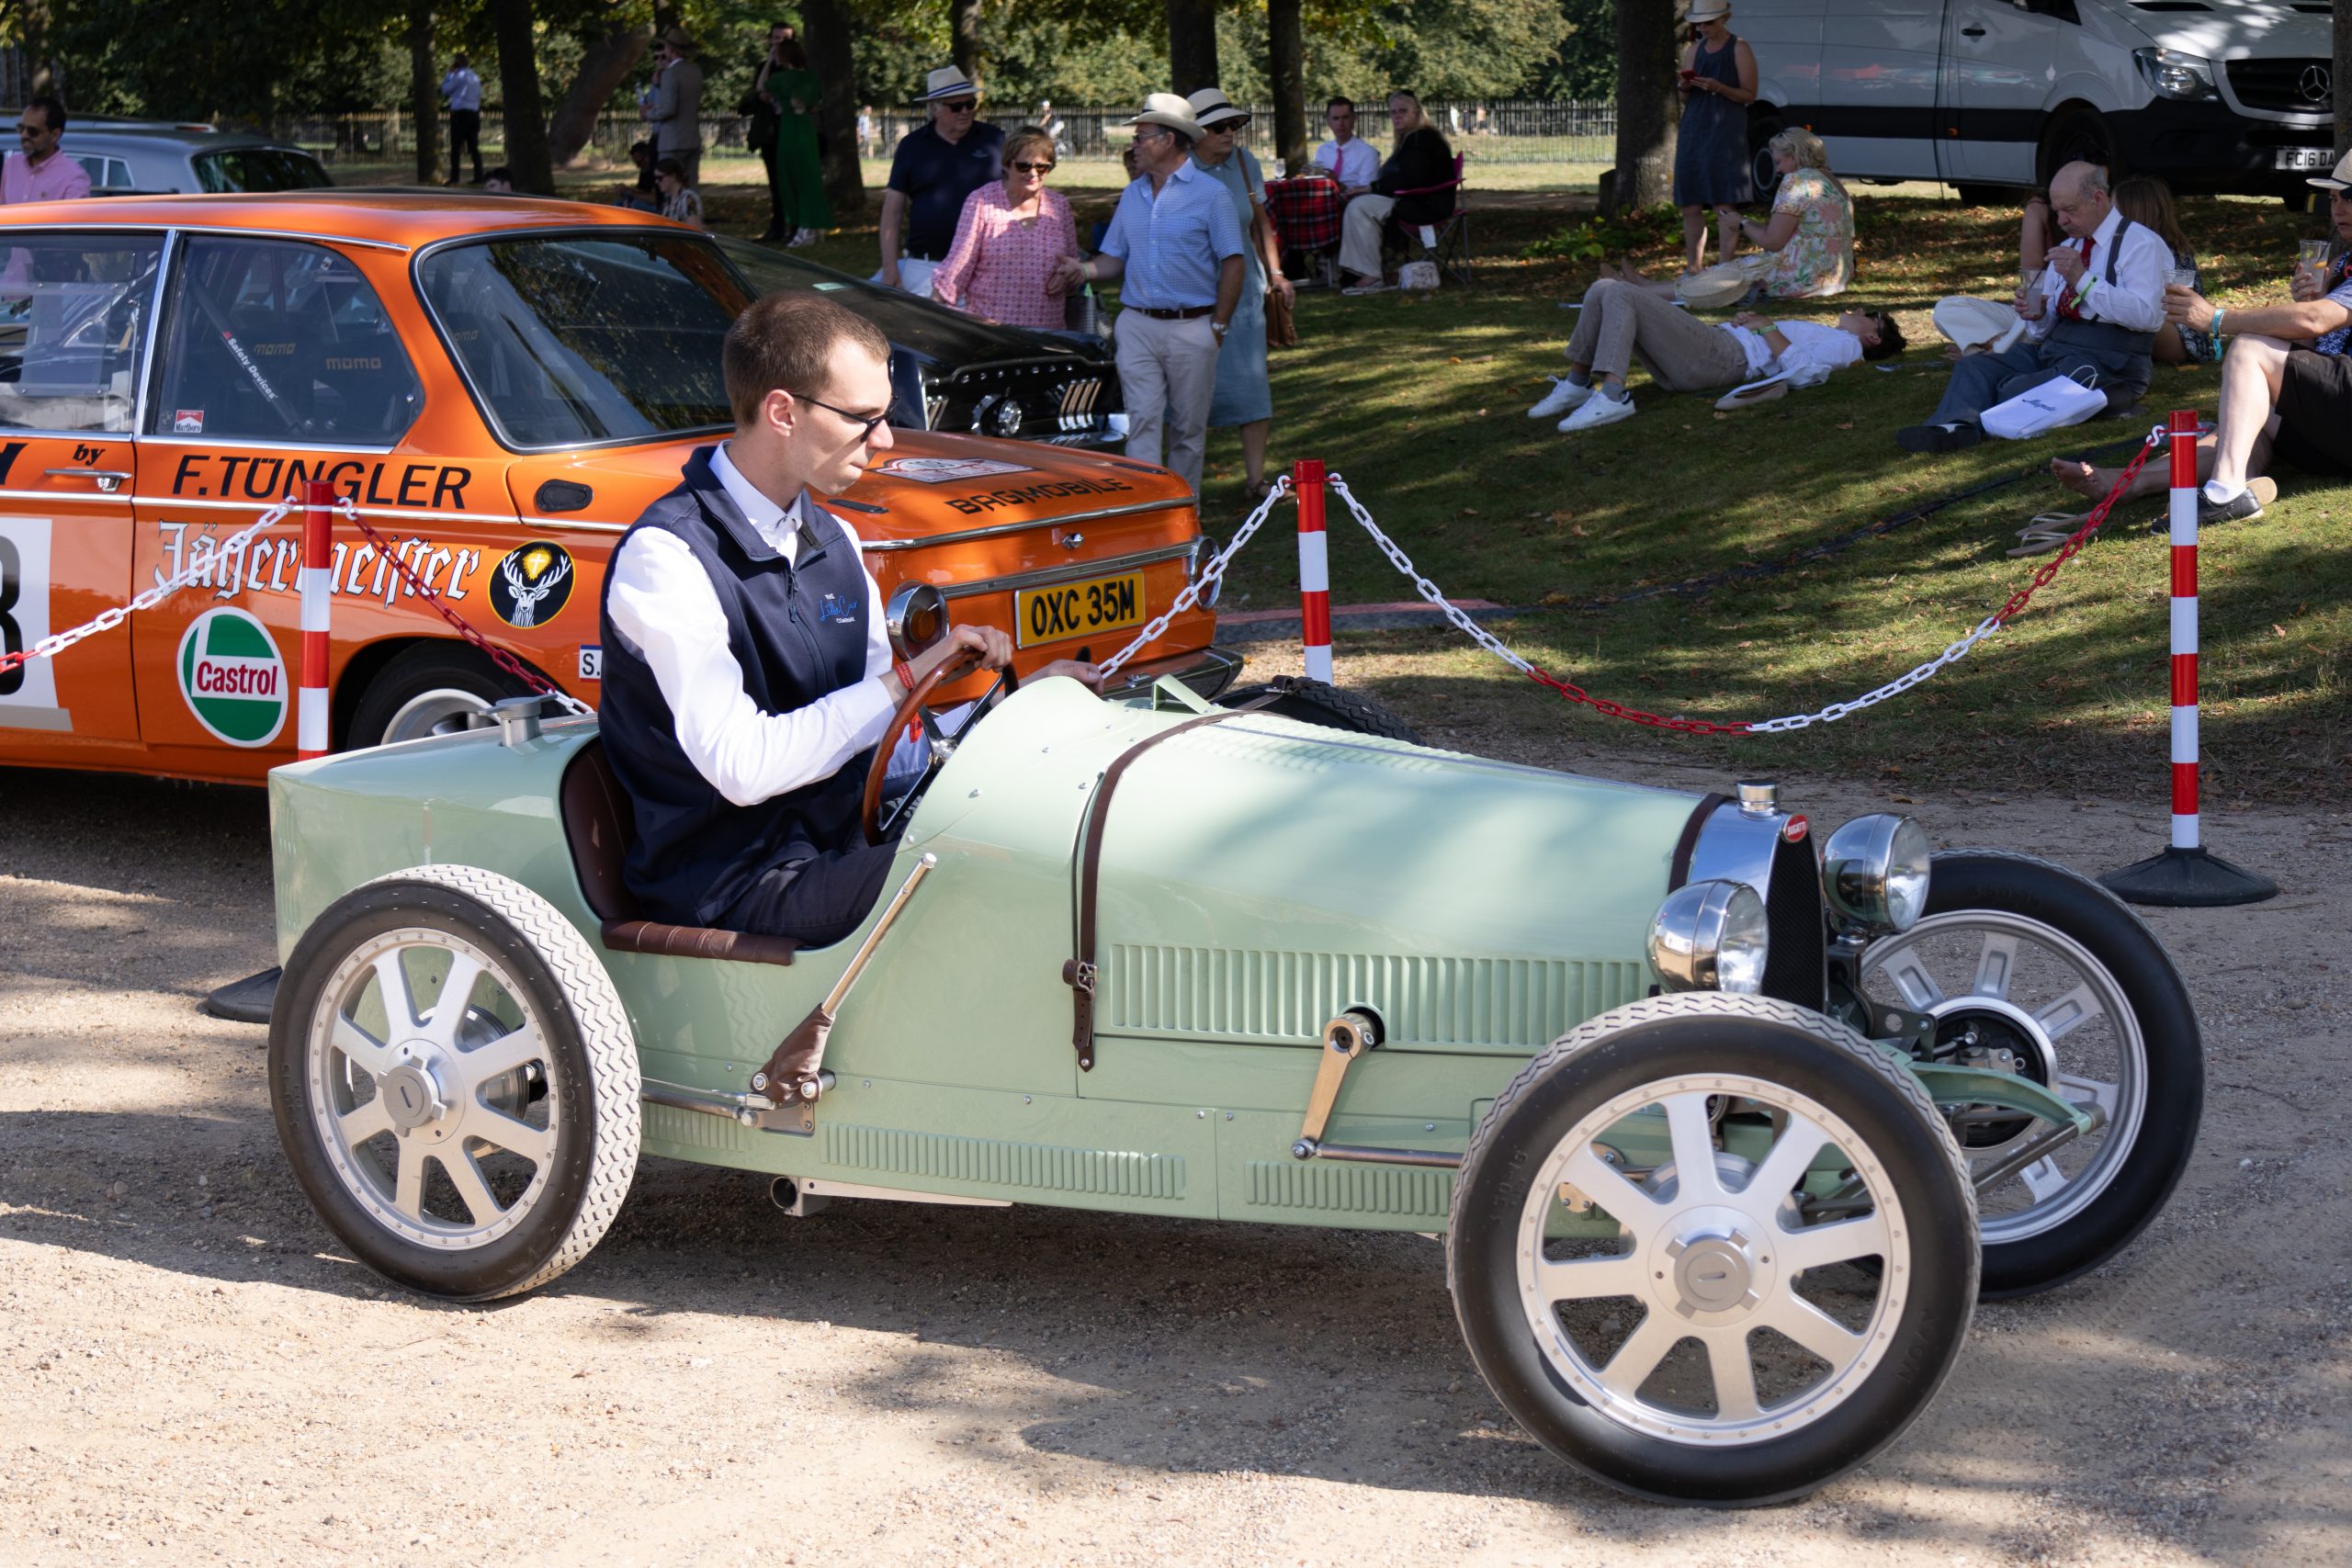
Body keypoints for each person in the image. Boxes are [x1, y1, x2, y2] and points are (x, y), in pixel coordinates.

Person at [599, 293, 1101, 946]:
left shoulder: (834, 538)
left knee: (1065, 839)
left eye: (885, 416)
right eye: (862, 418)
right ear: (782, 411)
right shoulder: (666, 556)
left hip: (843, 844)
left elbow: (884, 749)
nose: (885, 439)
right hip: (731, 881)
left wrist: (1013, 714)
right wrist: (902, 681)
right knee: (983, 876)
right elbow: (742, 767)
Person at [2050, 152, 2352, 526]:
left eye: (2347, 196)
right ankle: (2131, 483)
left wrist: (2217, 319)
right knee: (2242, 426)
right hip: (2336, 423)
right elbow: (2313, 338)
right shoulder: (2340, 265)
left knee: (2249, 348)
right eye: (2334, 198)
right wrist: (2314, 299)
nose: (2338, 207)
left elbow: (2314, 321)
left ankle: (2225, 493)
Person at [1895, 160, 2166, 453]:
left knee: (2014, 387)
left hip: (2111, 361)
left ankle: (2108, 397)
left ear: (2098, 198)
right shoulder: (2073, 245)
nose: (2061, 221)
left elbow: (2147, 317)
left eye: (2070, 210)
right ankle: (1954, 427)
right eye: (2057, 211)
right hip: (2057, 349)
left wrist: (2083, 280)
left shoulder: (2139, 243)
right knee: (1977, 367)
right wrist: (2036, 315)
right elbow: (2041, 332)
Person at [1049, 95, 1244, 497]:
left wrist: (1218, 326)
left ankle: (1183, 516)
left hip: (1193, 326)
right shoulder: (1134, 195)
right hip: (1136, 324)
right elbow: (1114, 258)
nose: (1133, 144)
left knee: (1188, 429)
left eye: (1141, 136)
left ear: (1168, 140)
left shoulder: (1211, 195)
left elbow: (1234, 263)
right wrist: (1081, 270)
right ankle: (1146, 510)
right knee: (1141, 421)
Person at [1531, 280, 1903, 431]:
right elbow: (1779, 344)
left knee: (1620, 292)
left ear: (1872, 338)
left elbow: (1804, 370)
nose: (1855, 311)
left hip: (1722, 358)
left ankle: (1613, 395)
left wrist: (1763, 326)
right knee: (1603, 288)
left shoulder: (1847, 346)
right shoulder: (1833, 335)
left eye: (1865, 316)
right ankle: (1578, 384)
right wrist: (1751, 324)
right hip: (1714, 350)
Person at [1188, 88, 1294, 504]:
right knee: (1190, 389)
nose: (1229, 133)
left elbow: (1260, 224)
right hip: (1195, 290)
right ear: (1194, 133)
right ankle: (1185, 487)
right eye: (1218, 127)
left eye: (1233, 124)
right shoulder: (1181, 169)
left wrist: (1277, 274)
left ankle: (1255, 481)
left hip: (1247, 292)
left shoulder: (1245, 164)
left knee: (1252, 386)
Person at [932, 126, 1080, 330]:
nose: (1033, 174)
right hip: (992, 335)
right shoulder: (982, 202)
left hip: (1049, 336)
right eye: (1023, 166)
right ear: (1006, 165)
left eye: (1041, 167)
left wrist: (1069, 276)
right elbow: (958, 266)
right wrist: (933, 320)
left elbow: (1073, 266)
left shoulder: (1059, 206)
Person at [877, 67, 1005, 298]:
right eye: (956, 106)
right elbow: (892, 210)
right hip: (927, 267)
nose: (965, 111)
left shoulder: (994, 139)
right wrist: (889, 267)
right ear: (934, 108)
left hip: (986, 267)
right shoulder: (911, 146)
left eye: (970, 104)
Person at [1335, 90, 1453, 293]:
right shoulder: (1411, 139)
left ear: (1416, 112)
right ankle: (1355, 270)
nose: (1397, 116)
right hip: (1411, 198)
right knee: (1355, 203)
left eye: (1403, 111)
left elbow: (1410, 178)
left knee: (1359, 207)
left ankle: (1369, 273)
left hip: (1423, 203)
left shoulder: (1421, 139)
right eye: (1393, 112)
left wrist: (1372, 188)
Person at [1674, 2, 1757, 275]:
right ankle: (1693, 268)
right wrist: (1685, 86)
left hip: (1725, 132)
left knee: (1723, 201)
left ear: (1724, 18)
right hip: (1694, 130)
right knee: (1691, 203)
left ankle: (1725, 267)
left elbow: (1749, 95)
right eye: (1699, 23)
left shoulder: (1739, 47)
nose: (1702, 28)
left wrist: (1719, 87)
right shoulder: (1694, 50)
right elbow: (1684, 98)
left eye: (1708, 22)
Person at [1737, 127, 1851, 299]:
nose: (1777, 170)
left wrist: (1741, 224)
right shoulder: (1833, 181)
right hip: (1837, 280)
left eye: (1778, 162)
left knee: (1729, 273)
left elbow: (1773, 242)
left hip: (1800, 280)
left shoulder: (1796, 180)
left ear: (1794, 155)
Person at [2110, 175, 2209, 365]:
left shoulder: (2174, 253)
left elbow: (2177, 309)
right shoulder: (2120, 247)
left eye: (2114, 208)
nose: (2108, 215)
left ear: (2134, 211)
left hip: (2180, 338)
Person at [762, 34, 831, 246]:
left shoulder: (783, 78)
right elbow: (817, 104)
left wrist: (769, 61)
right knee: (810, 179)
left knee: (791, 179)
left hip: (790, 130)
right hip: (806, 129)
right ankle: (814, 227)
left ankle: (803, 227)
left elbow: (762, 87)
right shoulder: (810, 78)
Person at [745, 23, 791, 241]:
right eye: (776, 38)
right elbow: (760, 90)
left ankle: (790, 226)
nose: (779, 42)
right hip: (769, 133)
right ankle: (777, 226)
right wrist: (771, 61)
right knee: (775, 182)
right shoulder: (767, 67)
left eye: (784, 38)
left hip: (788, 131)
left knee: (788, 182)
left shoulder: (795, 69)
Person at [5, 97, 90, 206]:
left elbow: (74, 221)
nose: (24, 135)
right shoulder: (12, 165)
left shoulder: (73, 177)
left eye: (32, 131)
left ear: (55, 135)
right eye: (21, 128)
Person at [650, 27, 705, 193]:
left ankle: (673, 219)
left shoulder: (670, 73)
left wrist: (648, 114)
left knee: (668, 188)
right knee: (691, 186)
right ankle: (694, 217)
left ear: (671, 49)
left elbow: (668, 109)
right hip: (692, 138)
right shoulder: (695, 71)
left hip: (672, 141)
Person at [1313, 97, 1377, 192]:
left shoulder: (1368, 153)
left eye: (1345, 117)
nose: (1340, 123)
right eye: (1335, 118)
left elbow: (1366, 193)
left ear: (1354, 119)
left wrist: (1336, 183)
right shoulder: (1323, 150)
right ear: (1328, 122)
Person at [440, 55, 483, 186]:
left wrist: (449, 74)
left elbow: (445, 90)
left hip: (460, 114)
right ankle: (478, 176)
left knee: (456, 147)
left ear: (456, 64)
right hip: (474, 113)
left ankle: (454, 178)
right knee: (474, 147)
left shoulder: (458, 76)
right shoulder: (475, 77)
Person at [655, 156, 704, 229]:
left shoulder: (688, 198)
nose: (656, 181)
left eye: (659, 178)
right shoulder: (669, 198)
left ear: (673, 177)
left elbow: (695, 228)